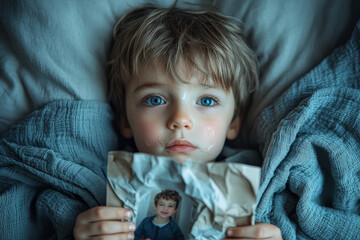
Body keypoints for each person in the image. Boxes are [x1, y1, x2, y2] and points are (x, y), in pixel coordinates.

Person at [74, 4, 282, 240]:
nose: (180, 120)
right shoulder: (100, 185)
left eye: (206, 100)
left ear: (233, 123)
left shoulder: (263, 188)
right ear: (126, 121)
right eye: (155, 99)